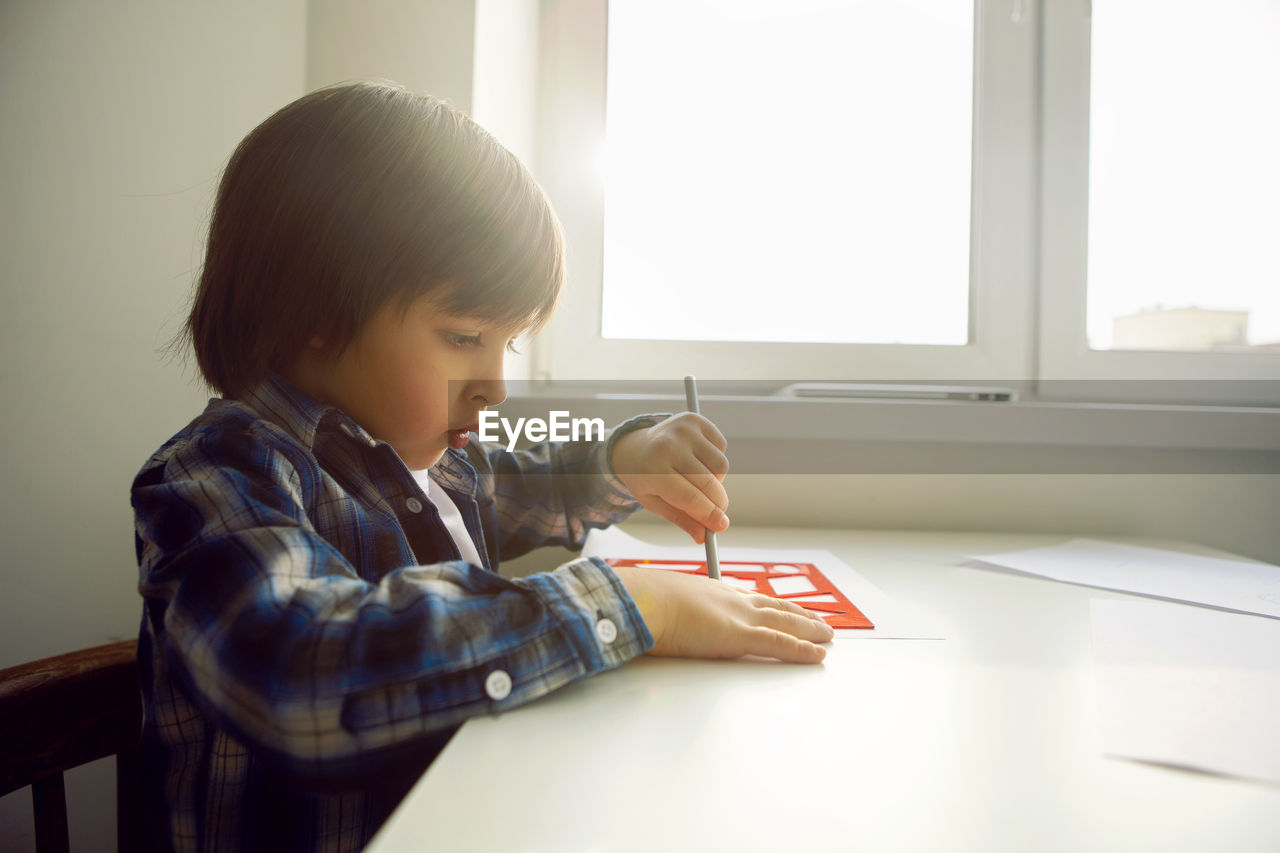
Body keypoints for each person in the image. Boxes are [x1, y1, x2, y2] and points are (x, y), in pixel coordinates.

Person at [132, 80, 833, 852]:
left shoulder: (431, 460)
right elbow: (302, 675)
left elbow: (531, 483)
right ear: (317, 315)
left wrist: (630, 460)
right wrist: (634, 602)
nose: (496, 385)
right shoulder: (219, 474)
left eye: (511, 344)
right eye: (465, 338)